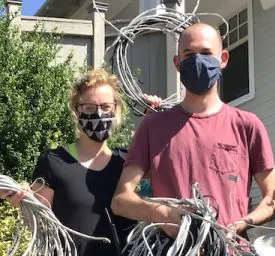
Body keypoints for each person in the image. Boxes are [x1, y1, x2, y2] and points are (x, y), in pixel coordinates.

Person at [111, 23, 275, 241]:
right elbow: (120, 200)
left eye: (205, 53)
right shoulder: (153, 126)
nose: (198, 60)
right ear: (177, 63)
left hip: (230, 249)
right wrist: (161, 213)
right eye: (189, 54)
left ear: (223, 59)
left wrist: (240, 225)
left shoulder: (247, 125)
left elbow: (274, 199)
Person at [0, 68, 161, 256]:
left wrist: (156, 120)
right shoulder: (53, 162)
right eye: (89, 107)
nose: (99, 114)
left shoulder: (127, 162)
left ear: (116, 109)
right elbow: (41, 226)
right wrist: (23, 201)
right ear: (77, 110)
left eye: (105, 107)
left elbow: (169, 166)